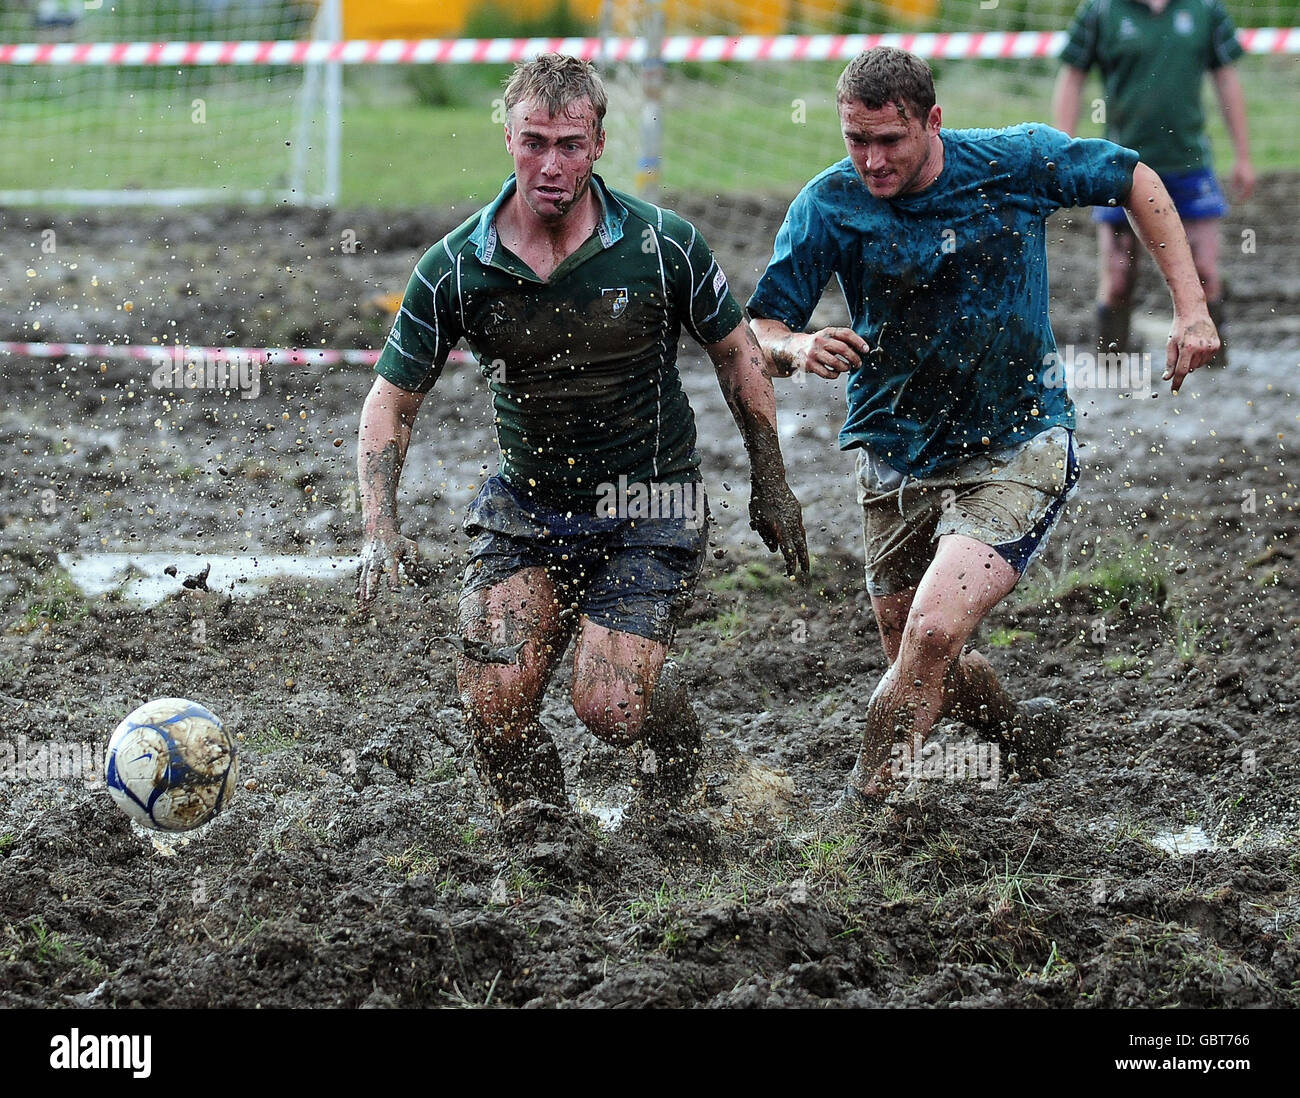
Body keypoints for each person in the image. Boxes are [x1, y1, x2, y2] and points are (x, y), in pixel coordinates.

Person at [747, 46, 1219, 808]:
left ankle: (864, 811)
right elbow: (760, 327)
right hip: (894, 455)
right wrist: (797, 346)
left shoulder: (1015, 162)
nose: (871, 160)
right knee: (918, 647)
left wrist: (1190, 309)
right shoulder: (829, 205)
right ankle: (1017, 735)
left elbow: (1134, 177)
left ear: (933, 121)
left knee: (931, 635)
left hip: (1017, 442)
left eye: (889, 140)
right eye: (855, 140)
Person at [355, 54, 808, 815]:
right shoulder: (455, 268)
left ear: (598, 144)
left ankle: (675, 739)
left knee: (607, 707)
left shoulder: (664, 244)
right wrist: (378, 525)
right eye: (535, 142)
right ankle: (540, 838)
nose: (551, 164)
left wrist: (773, 483)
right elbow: (390, 400)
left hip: (650, 505)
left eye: (570, 144)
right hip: (529, 508)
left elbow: (737, 354)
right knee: (493, 702)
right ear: (507, 138)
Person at [1053, 0, 1253, 364]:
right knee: (1117, 277)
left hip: (1189, 164)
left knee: (1206, 271)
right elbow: (1072, 75)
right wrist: (1064, 149)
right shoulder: (1100, 11)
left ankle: (1213, 366)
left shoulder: (1206, 9)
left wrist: (1243, 155)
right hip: (1120, 167)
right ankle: (1111, 364)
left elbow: (1226, 78)